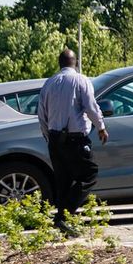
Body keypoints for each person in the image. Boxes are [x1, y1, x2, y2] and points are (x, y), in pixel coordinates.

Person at [38, 48, 107, 237]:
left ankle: (63, 222)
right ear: (75, 62)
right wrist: (100, 126)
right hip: (75, 139)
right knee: (89, 174)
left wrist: (48, 137)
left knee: (63, 181)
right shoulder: (80, 80)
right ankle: (63, 216)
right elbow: (91, 106)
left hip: (54, 138)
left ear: (59, 63)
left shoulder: (49, 83)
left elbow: (41, 114)